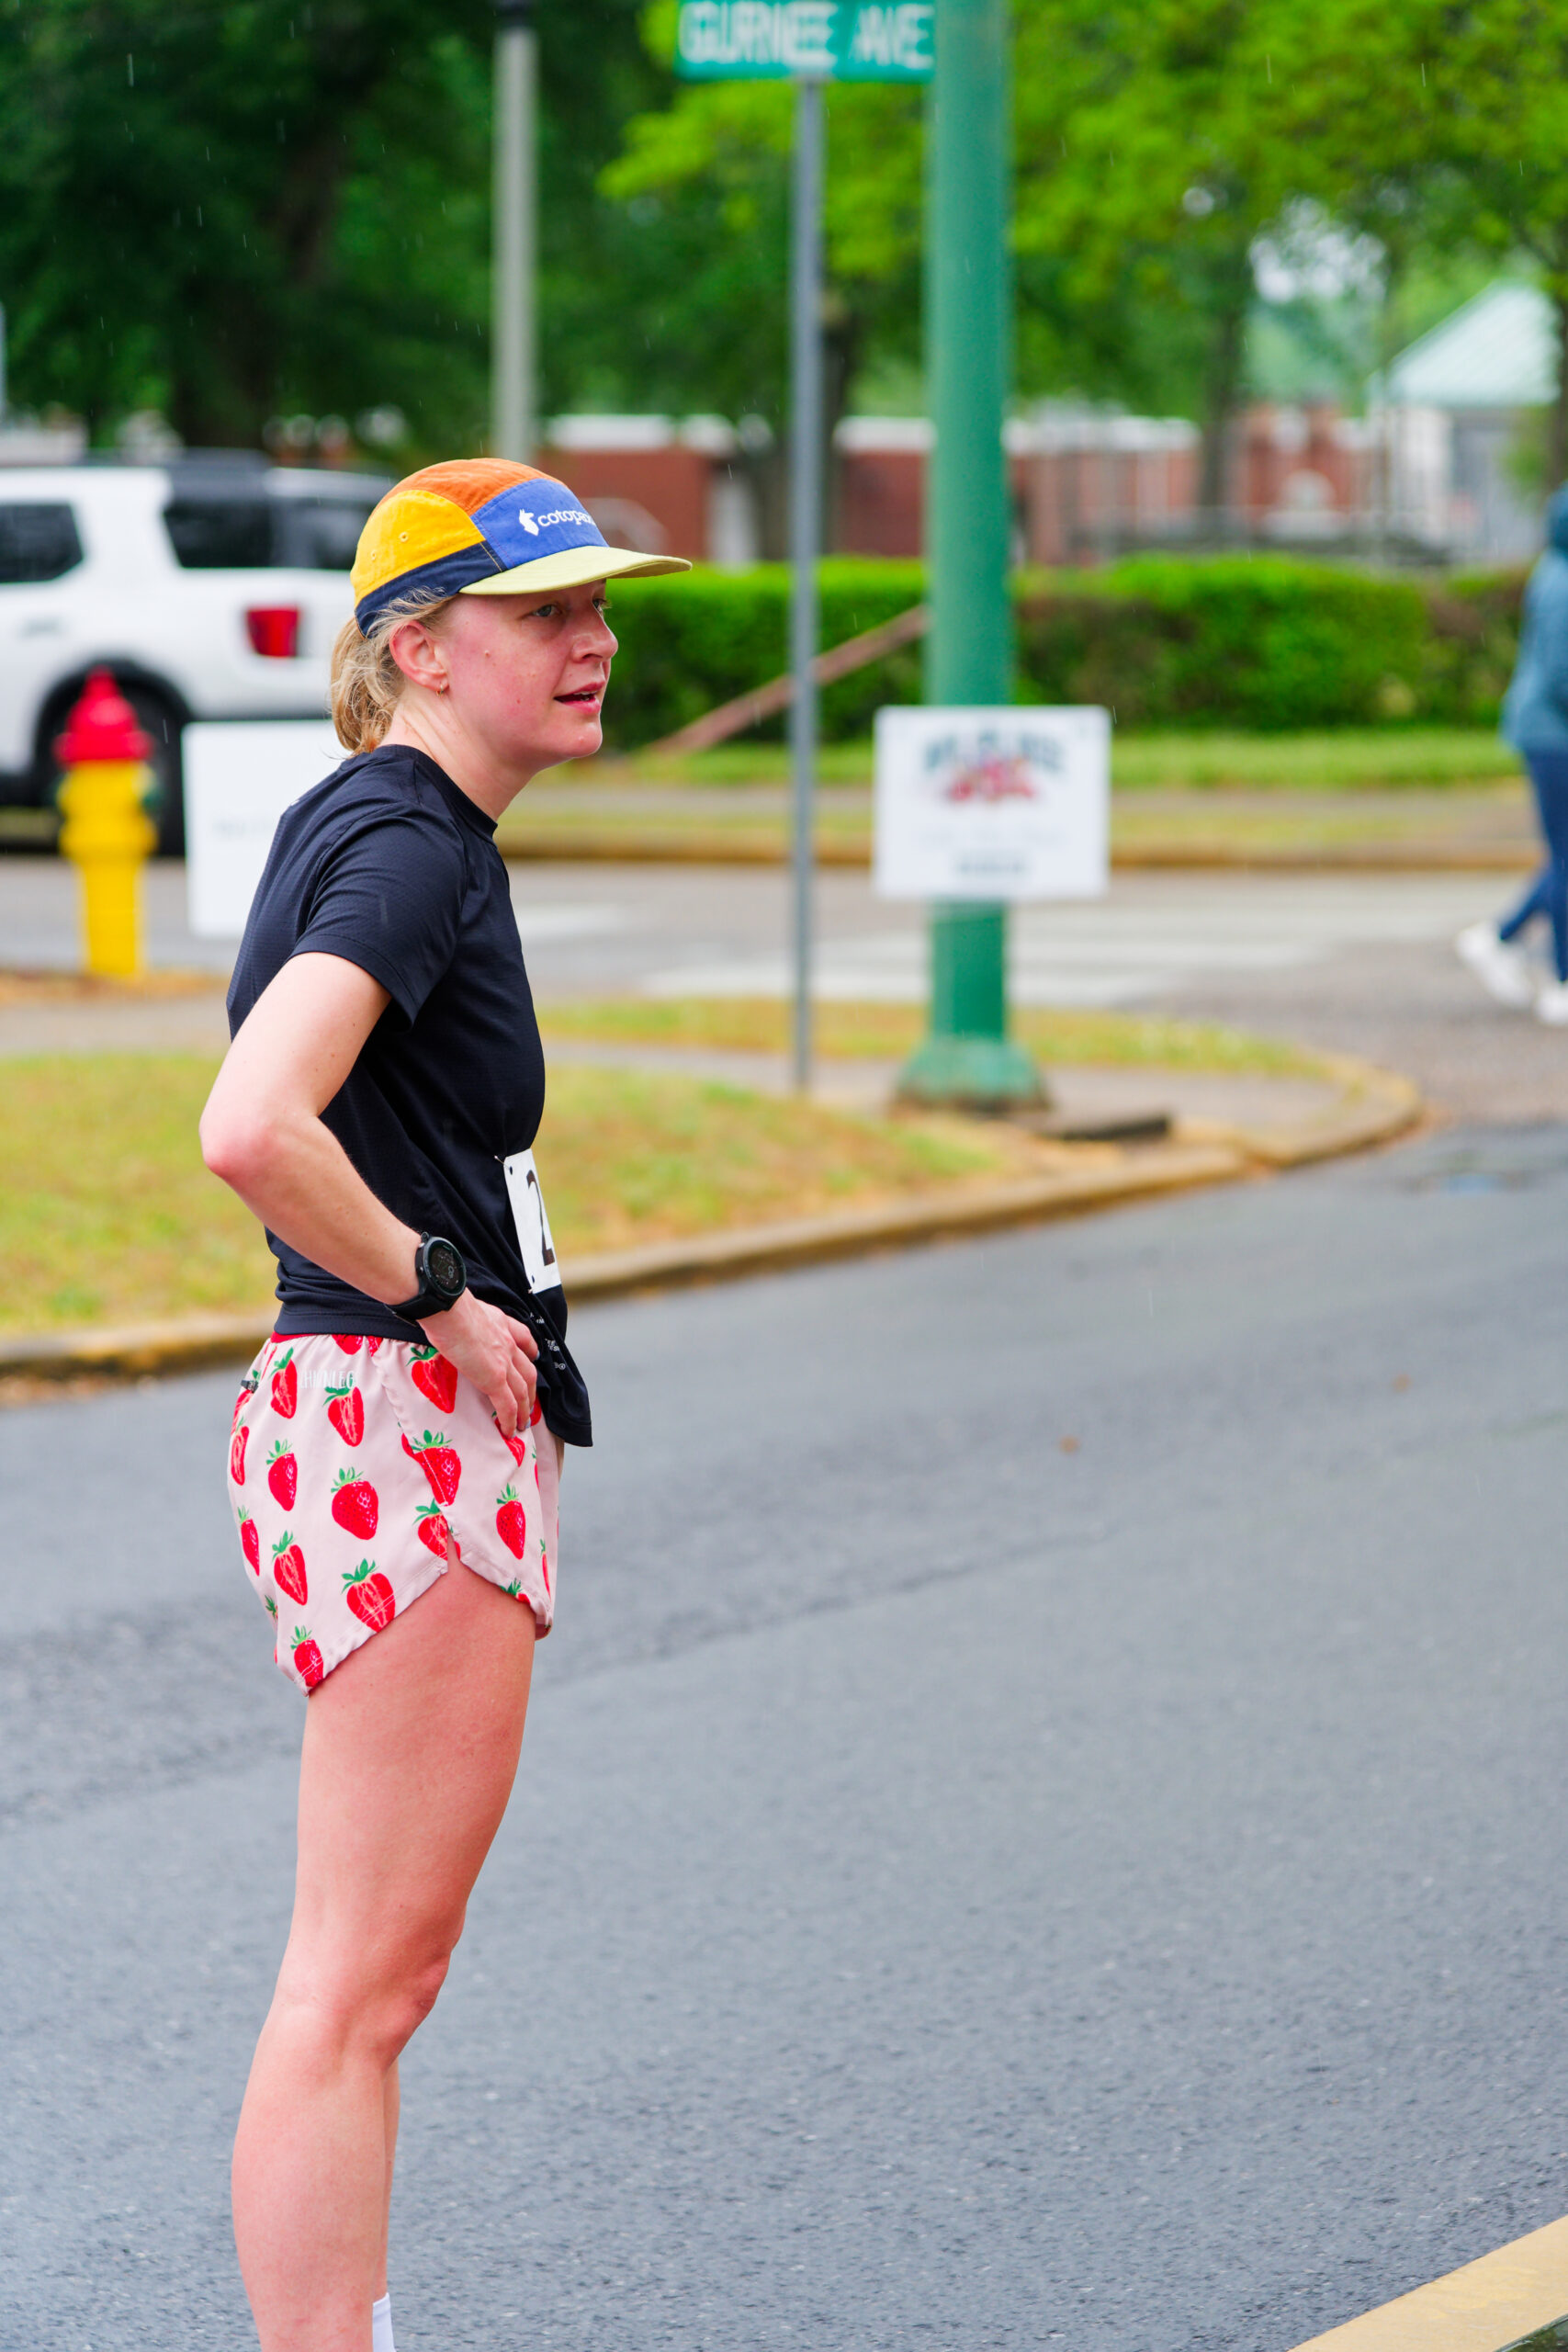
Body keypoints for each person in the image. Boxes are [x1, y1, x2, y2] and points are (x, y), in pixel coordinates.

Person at [199, 458, 688, 2352]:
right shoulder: (408, 842)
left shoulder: (392, 821)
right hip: (392, 1418)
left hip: (363, 1418)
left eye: (595, 606)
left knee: (365, 1971)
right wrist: (437, 1287)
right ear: (419, 646)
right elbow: (253, 1121)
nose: (596, 641)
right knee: (360, 1983)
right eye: (548, 614)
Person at [1458, 483, 1568, 1024]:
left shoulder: (1555, 570)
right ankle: (1561, 981)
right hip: (1555, 735)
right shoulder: (1565, 582)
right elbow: (1564, 675)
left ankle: (1500, 937)